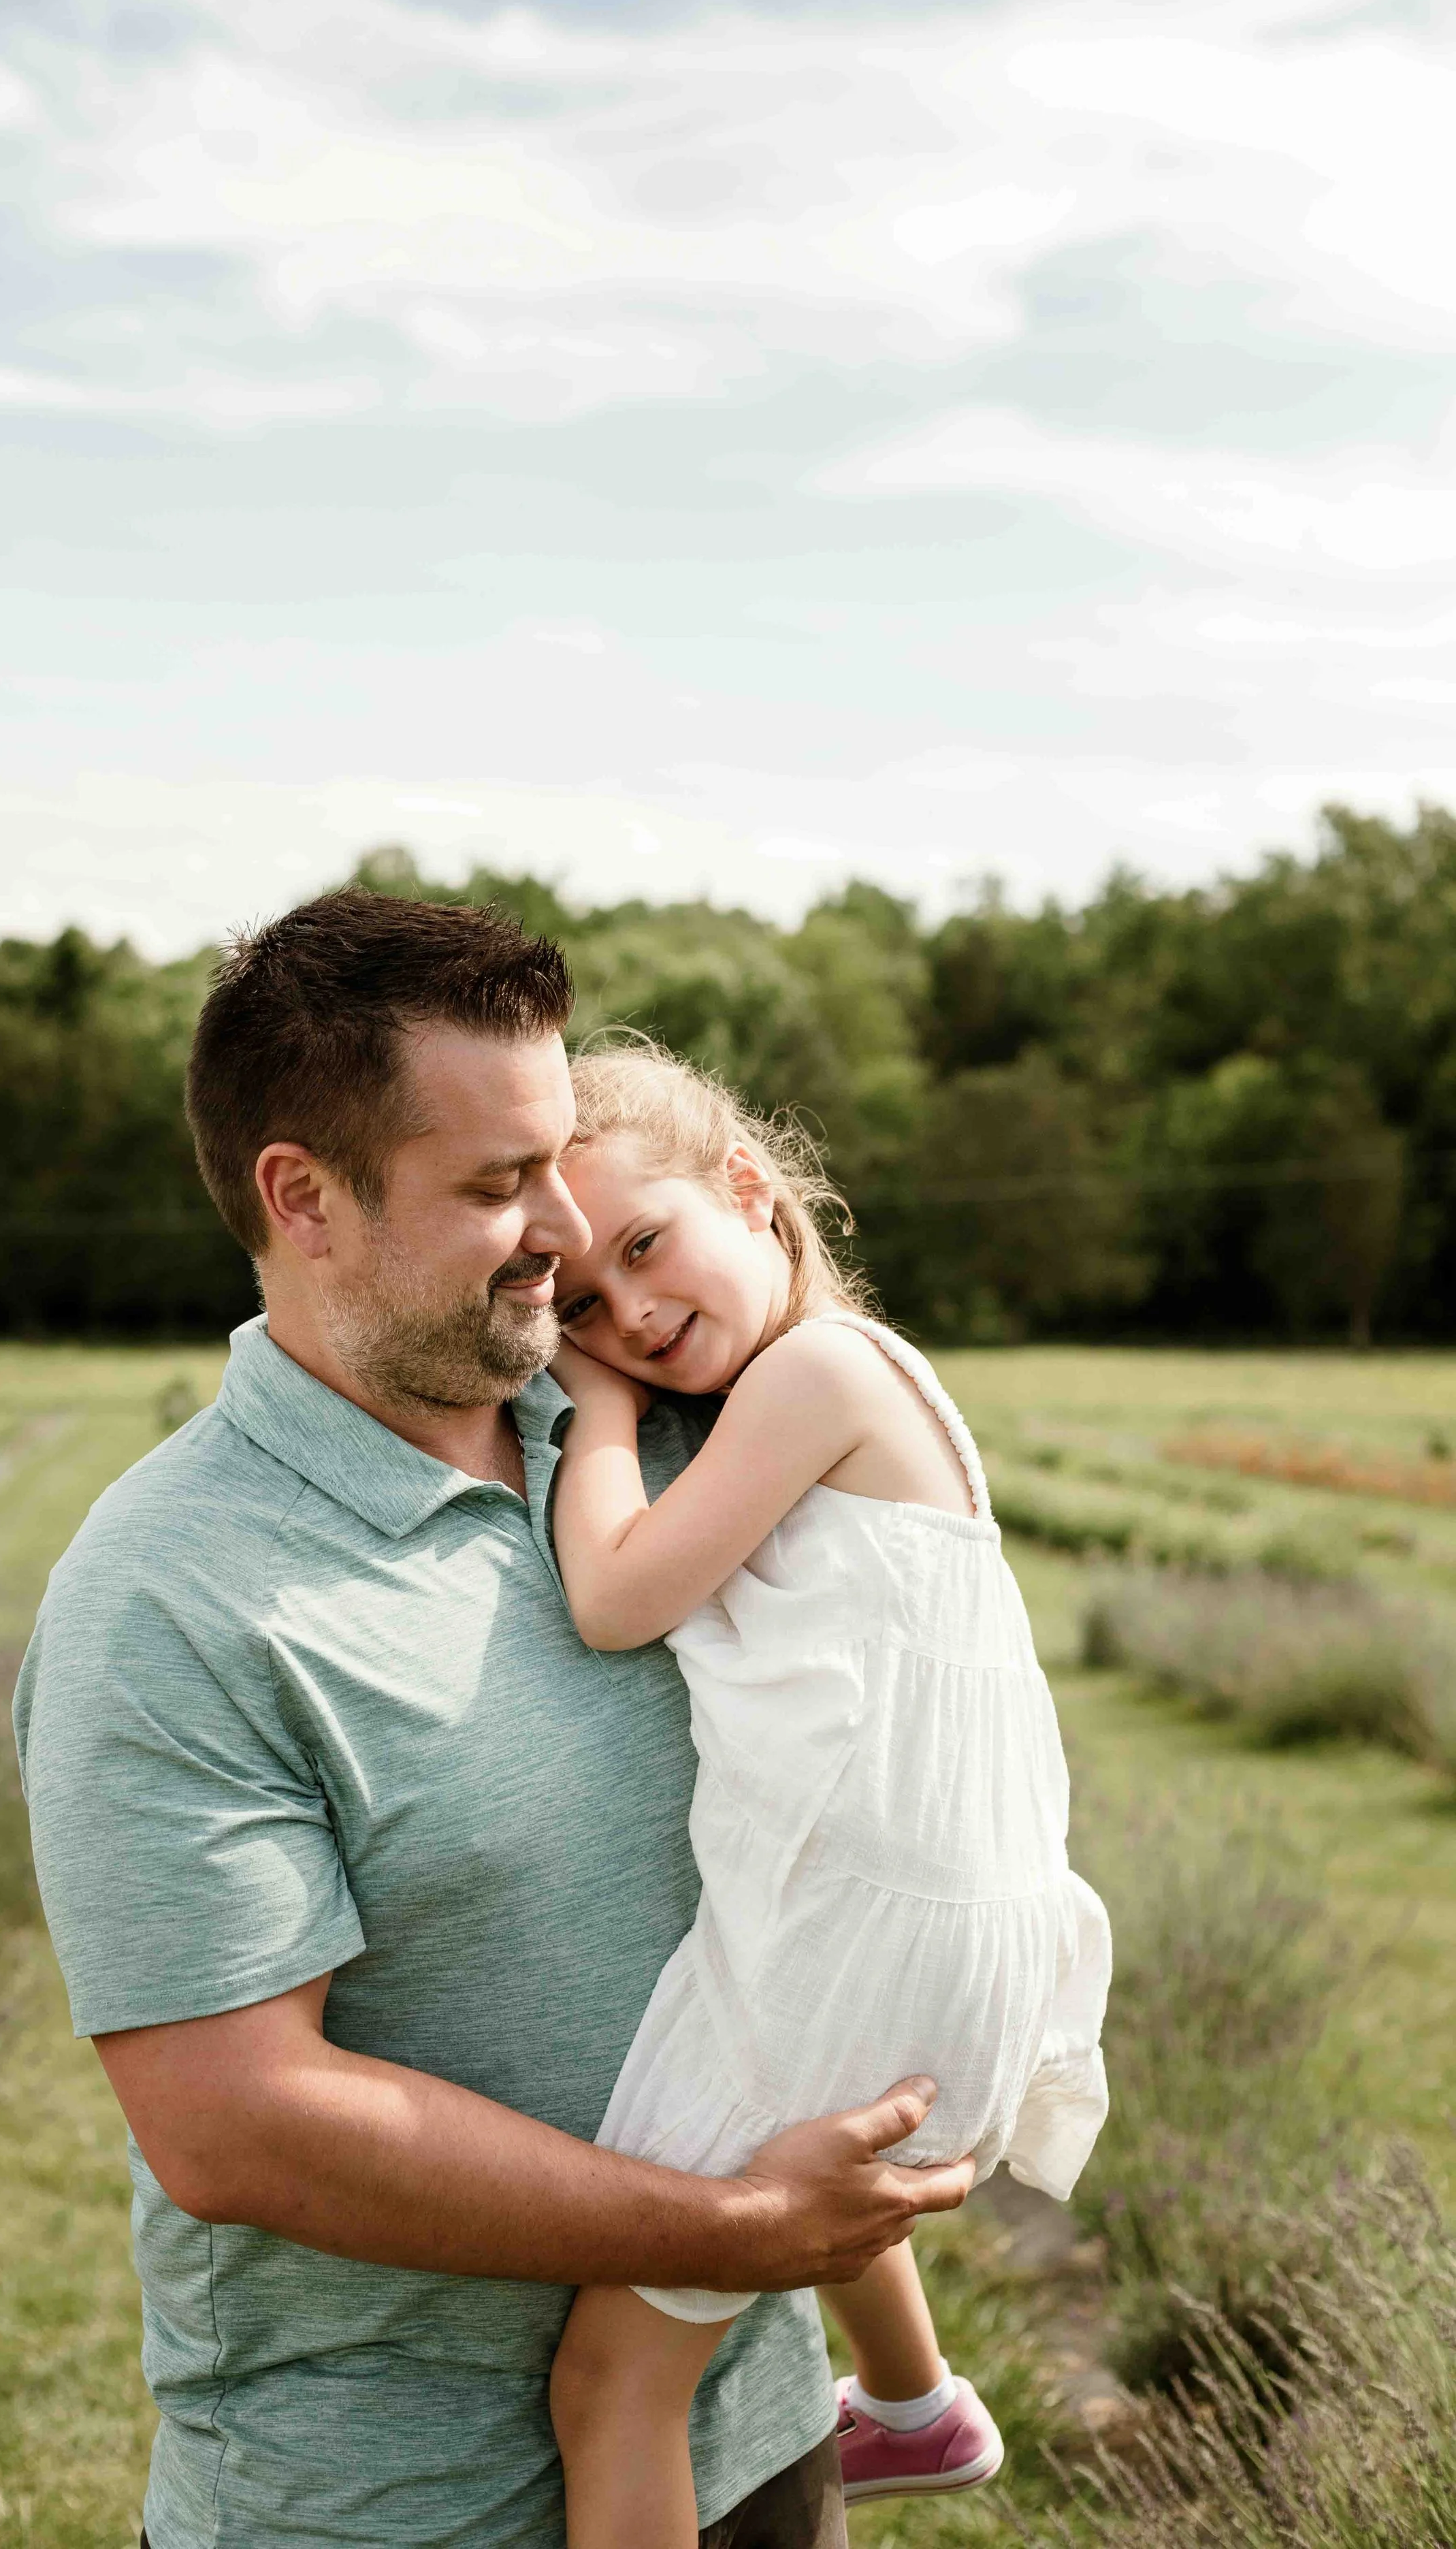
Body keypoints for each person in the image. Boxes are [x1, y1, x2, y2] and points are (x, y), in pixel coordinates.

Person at [12, 888, 975, 2549]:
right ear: (301, 1199)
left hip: (747, 2430)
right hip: (398, 2504)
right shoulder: (169, 1598)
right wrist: (721, 2222)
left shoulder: (662, 1432)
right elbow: (235, 2123)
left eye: (559, 1161)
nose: (559, 1225)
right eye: (494, 1183)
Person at [543, 1042, 1112, 2547]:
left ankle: (911, 2408)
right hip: (952, 1943)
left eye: (645, 1248)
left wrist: (589, 1405)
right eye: (583, 1302)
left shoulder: (811, 1375)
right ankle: (914, 2407)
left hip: (866, 1942)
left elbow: (611, 1596)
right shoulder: (874, 1370)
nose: (633, 1316)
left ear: (749, 1187)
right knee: (817, 2125)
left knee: (610, 2381)